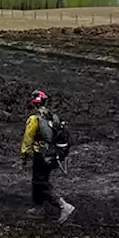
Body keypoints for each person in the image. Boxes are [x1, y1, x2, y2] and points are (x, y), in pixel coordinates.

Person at [20, 90, 75, 223]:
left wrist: (25, 155)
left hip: (41, 155)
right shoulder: (53, 117)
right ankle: (38, 208)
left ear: (33, 104)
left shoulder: (34, 119)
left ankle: (63, 205)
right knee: (38, 180)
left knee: (41, 182)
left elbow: (27, 140)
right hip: (53, 154)